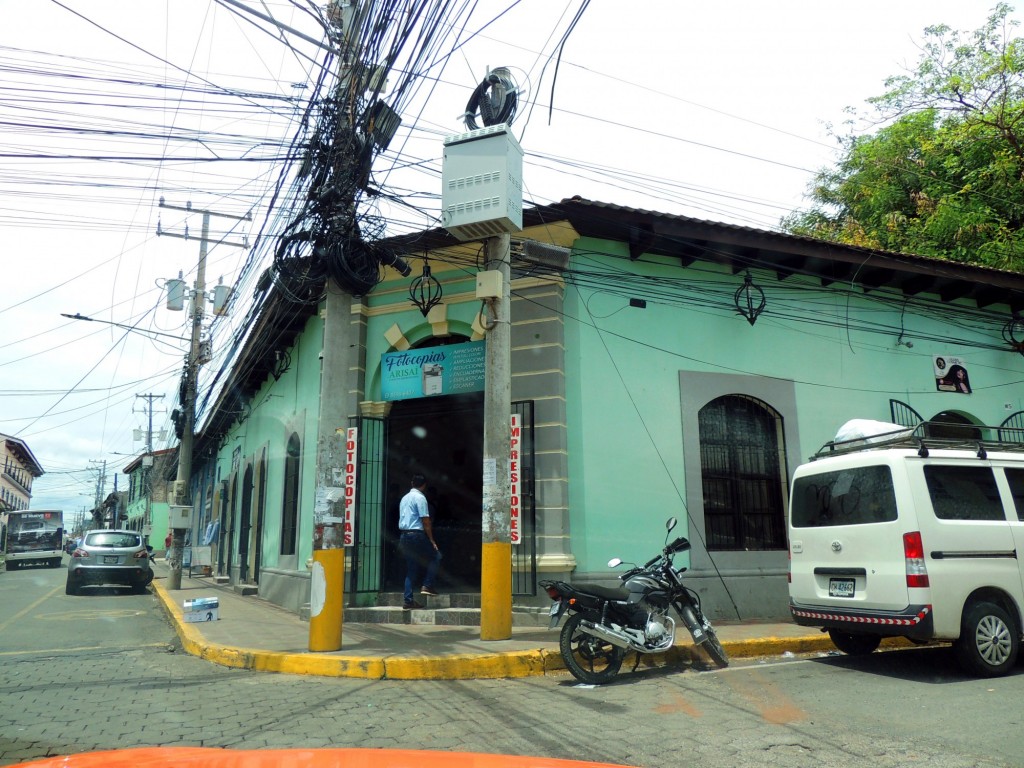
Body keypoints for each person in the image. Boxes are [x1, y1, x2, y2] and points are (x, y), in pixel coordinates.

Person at [398, 473, 441, 610]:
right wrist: (432, 540)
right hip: (416, 535)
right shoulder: (420, 498)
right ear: (424, 485)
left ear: (412, 483)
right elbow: (425, 521)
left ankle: (408, 600)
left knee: (411, 568)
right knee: (436, 556)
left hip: (404, 536)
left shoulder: (404, 498)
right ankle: (427, 585)